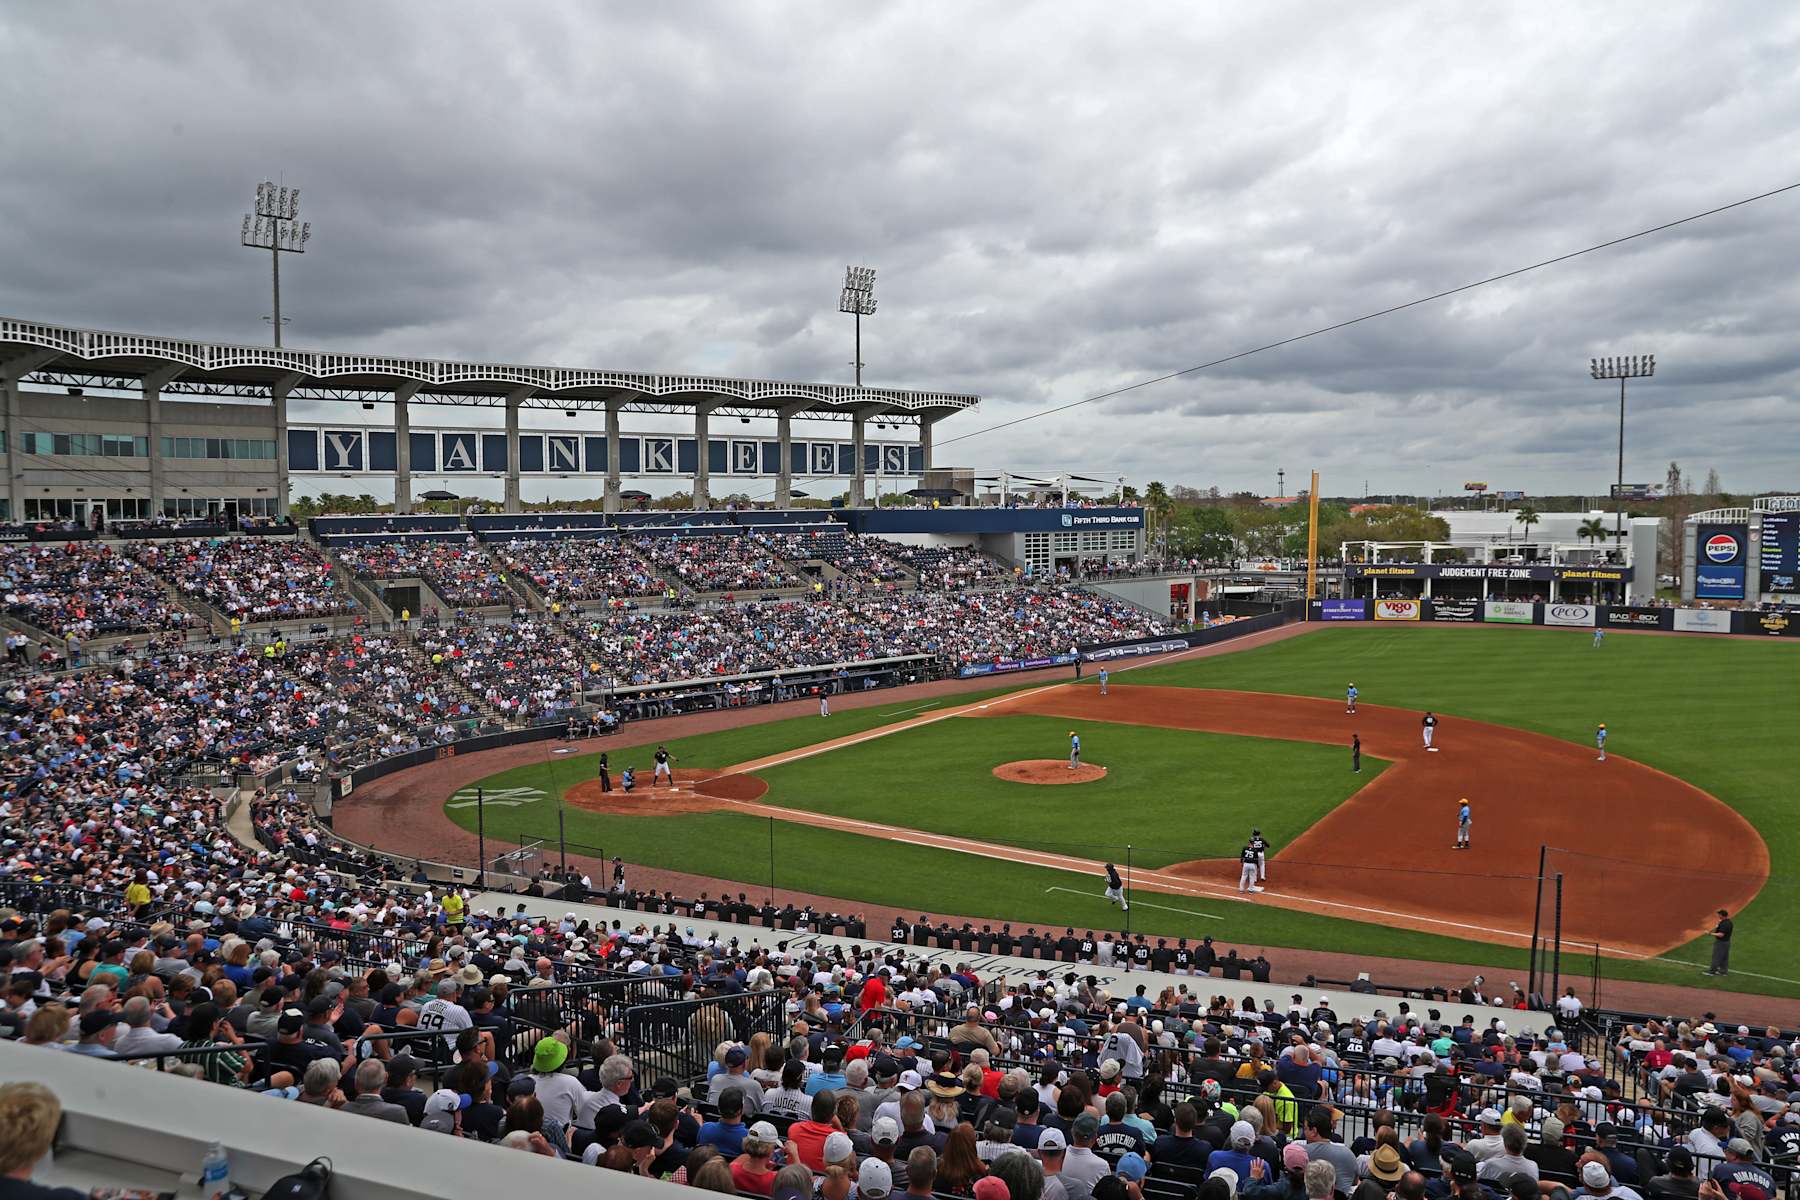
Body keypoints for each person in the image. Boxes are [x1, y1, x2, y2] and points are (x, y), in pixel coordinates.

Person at [1706, 909, 1733, 976]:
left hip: (1721, 943)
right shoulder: (1728, 922)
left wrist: (1710, 934)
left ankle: (1712, 972)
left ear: (1721, 915)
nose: (1718, 915)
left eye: (1719, 914)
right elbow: (1719, 928)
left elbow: (1721, 934)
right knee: (1724, 957)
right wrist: (1718, 924)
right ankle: (1723, 972)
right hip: (1727, 942)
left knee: (1716, 957)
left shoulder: (1724, 924)